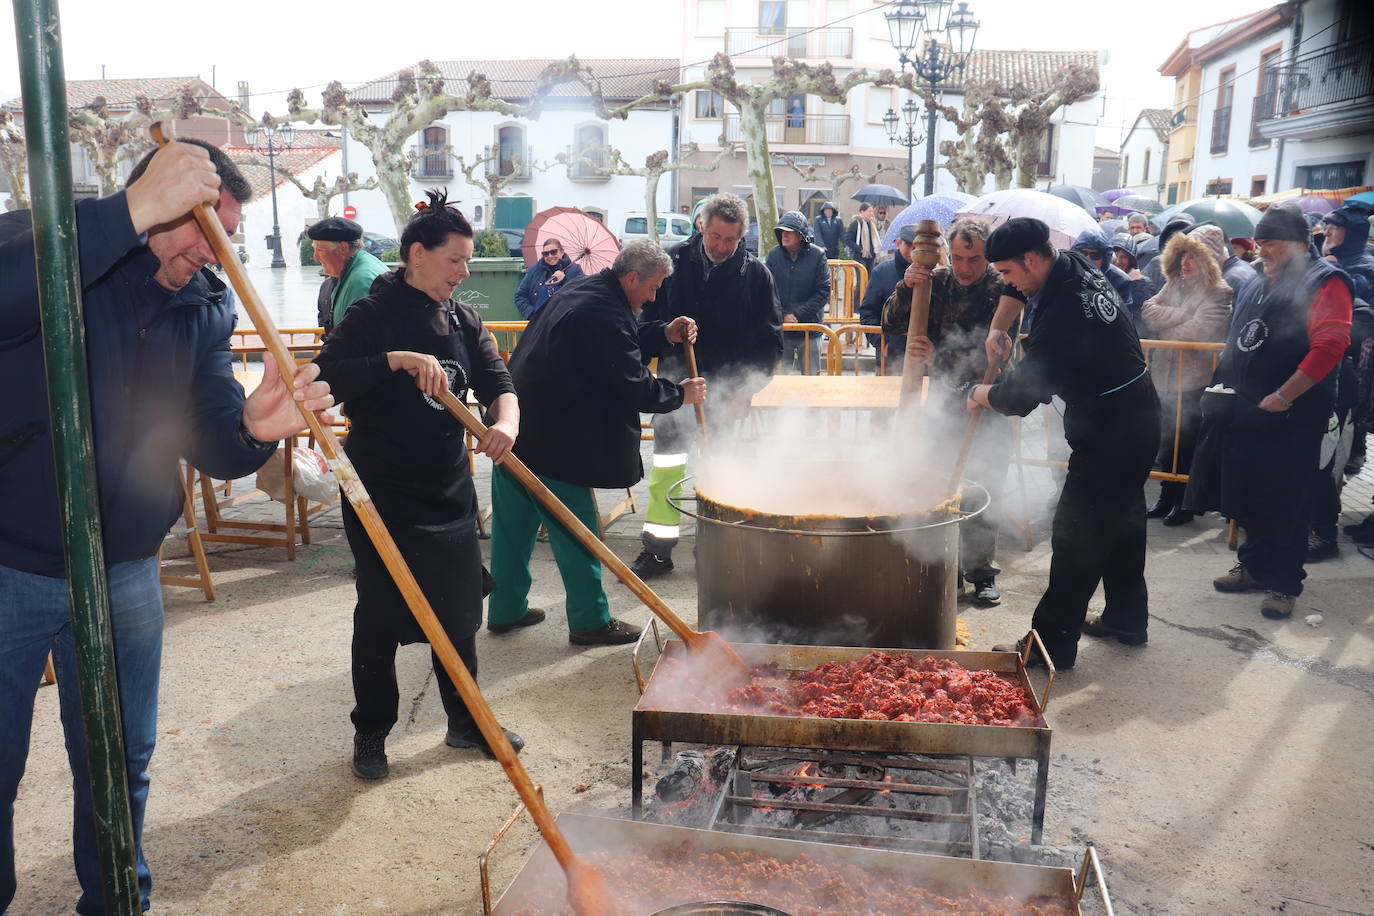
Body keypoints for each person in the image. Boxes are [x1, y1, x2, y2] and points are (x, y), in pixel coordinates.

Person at [0, 138, 333, 914]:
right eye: (204, 232)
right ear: (157, 200)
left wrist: (255, 428)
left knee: (120, 760)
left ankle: (119, 901)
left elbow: (210, 438)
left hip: (124, 568)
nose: (212, 255)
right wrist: (124, 214)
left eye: (227, 238)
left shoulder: (204, 304)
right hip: (9, 563)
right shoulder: (48, 241)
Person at [313, 190, 523, 780]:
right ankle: (372, 733)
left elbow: (499, 379)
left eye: (467, 262)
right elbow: (322, 376)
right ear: (416, 254)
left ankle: (466, 720)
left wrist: (504, 424)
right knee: (380, 615)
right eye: (455, 260)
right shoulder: (374, 313)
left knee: (459, 616)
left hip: (448, 489)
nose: (463, 272)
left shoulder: (463, 318)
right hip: (381, 492)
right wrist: (396, 361)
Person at [489, 241, 705, 643]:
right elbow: (631, 383)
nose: (654, 297)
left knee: (512, 529)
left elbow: (620, 338)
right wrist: (680, 394)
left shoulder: (586, 290)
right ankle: (590, 621)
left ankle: (505, 609)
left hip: (515, 424)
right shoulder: (600, 309)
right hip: (555, 439)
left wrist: (663, 333)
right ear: (631, 278)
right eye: (653, 288)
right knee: (577, 533)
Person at [971, 218, 1161, 670]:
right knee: (1124, 524)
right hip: (1136, 414)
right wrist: (999, 327)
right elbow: (1018, 293)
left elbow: (1020, 397)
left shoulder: (1066, 315)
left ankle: (1049, 646)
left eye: (1010, 273)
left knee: (1077, 537)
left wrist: (980, 395)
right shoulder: (1070, 262)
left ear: (1032, 259)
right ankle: (1126, 620)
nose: (1007, 282)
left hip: (1112, 430)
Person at [1184, 204, 1353, 620]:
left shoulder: (1326, 281)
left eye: (1271, 242)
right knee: (1249, 493)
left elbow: (1330, 346)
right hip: (1247, 408)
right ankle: (1254, 566)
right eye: (1260, 242)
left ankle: (1283, 583)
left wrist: (1285, 394)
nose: (1263, 250)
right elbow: (1238, 339)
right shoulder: (1258, 279)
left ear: (1298, 242)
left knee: (1288, 500)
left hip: (1294, 412)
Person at [633, 193, 782, 578]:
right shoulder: (672, 264)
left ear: (741, 237)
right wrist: (665, 335)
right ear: (701, 225)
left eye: (730, 240)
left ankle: (714, 547)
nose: (721, 247)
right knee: (668, 468)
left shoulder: (756, 275)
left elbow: (769, 345)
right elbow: (642, 322)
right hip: (674, 386)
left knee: (718, 471)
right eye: (716, 236)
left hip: (728, 392)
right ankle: (658, 549)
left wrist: (742, 393)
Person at [886, 217, 1021, 606]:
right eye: (959, 257)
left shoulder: (1005, 287)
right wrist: (906, 286)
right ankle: (942, 570)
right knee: (941, 487)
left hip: (988, 401)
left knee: (983, 487)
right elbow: (891, 323)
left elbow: (1001, 357)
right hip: (944, 402)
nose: (964, 267)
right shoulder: (936, 280)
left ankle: (981, 574)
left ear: (987, 257)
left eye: (974, 259)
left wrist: (937, 356)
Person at [1140, 224, 1234, 527]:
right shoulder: (1174, 284)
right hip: (1165, 377)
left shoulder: (1219, 291)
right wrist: (1181, 316)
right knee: (1169, 441)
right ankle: (1167, 496)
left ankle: (1186, 503)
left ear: (1208, 259)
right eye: (1182, 254)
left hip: (1194, 380)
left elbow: (1199, 331)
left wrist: (1169, 325)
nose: (1185, 262)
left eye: (1193, 256)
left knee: (1188, 442)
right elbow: (1147, 311)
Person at [766, 210, 831, 374]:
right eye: (782, 231)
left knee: (811, 381)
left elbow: (823, 291)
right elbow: (767, 290)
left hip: (810, 328)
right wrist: (783, 315)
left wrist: (797, 314)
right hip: (781, 329)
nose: (784, 235)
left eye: (789, 232)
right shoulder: (774, 255)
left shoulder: (817, 255)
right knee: (781, 382)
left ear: (801, 235)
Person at [309, 216, 389, 335]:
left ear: (343, 248)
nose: (315, 257)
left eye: (320, 250)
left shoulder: (361, 280)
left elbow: (359, 340)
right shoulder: (351, 272)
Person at [860, 224, 919, 373]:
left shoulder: (932, 274)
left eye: (917, 246)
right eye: (909, 245)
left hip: (921, 358)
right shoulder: (881, 272)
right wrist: (881, 343)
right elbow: (868, 312)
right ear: (898, 243)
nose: (913, 251)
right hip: (890, 355)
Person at [1072, 227, 1151, 328]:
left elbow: (1129, 319)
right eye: (1083, 253)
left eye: (1095, 255)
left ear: (1105, 257)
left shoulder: (1121, 281)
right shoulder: (1067, 274)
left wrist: (1138, 284)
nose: (1087, 259)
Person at [514, 237, 584, 319]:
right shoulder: (534, 271)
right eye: (545, 253)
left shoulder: (575, 270)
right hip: (539, 323)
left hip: (564, 322)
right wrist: (532, 315)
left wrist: (563, 281)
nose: (550, 256)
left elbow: (580, 295)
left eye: (553, 252)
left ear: (562, 252)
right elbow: (520, 296)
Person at [1320, 206, 1374, 302]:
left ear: (1352, 235)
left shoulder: (1367, 269)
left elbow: (1344, 297)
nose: (1326, 233)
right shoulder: (1338, 258)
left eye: (1335, 228)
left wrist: (1331, 267)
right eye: (1326, 227)